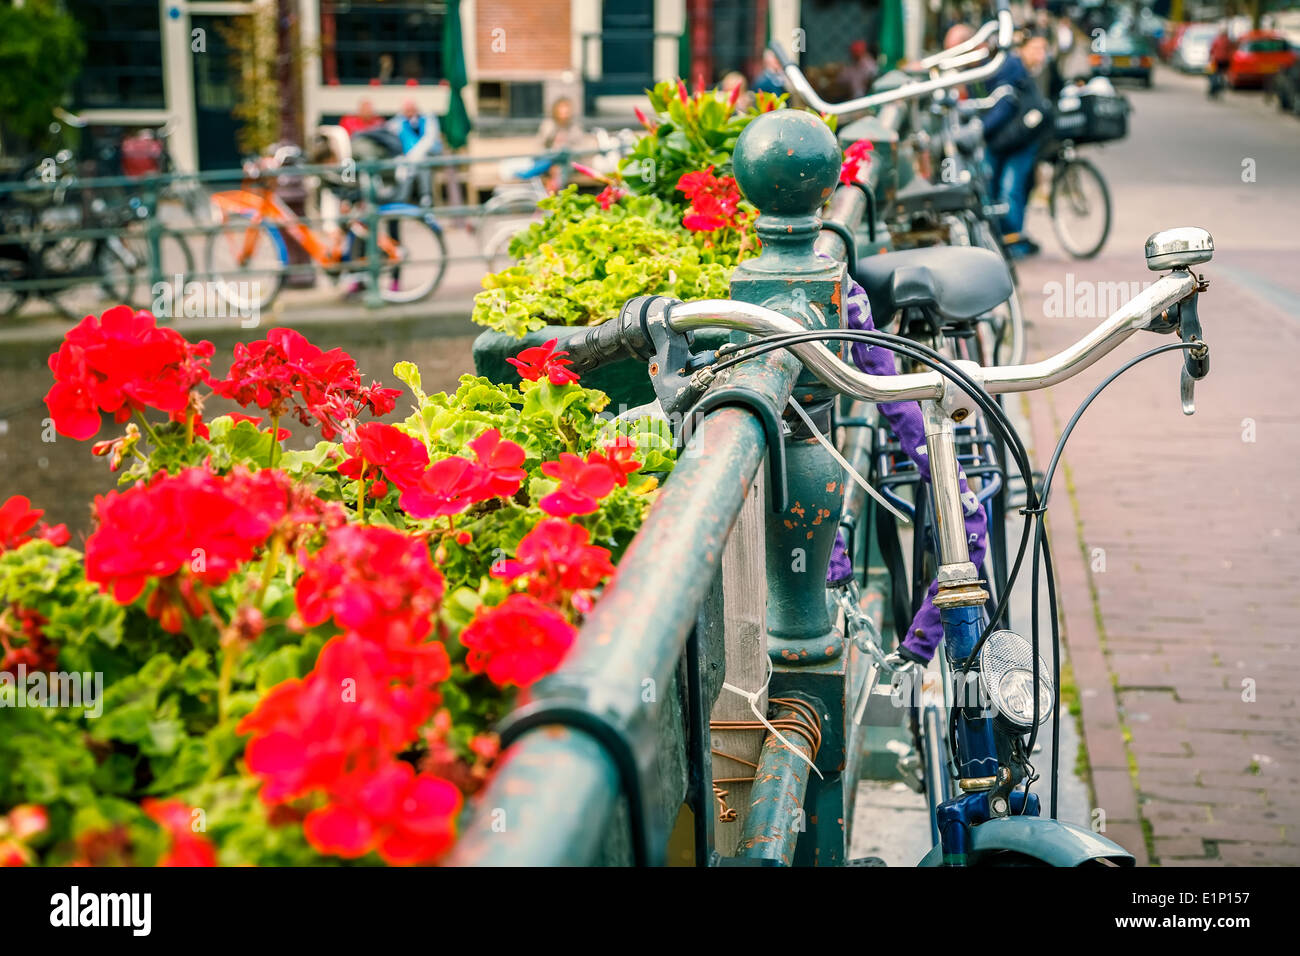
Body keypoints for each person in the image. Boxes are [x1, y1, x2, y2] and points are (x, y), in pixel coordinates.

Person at [969, 31, 1053, 259]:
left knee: (1007, 190)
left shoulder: (1019, 66)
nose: (1041, 55)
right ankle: (1008, 241)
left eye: (1044, 50)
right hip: (1010, 139)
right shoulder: (1014, 66)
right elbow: (1004, 102)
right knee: (1004, 190)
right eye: (1037, 49)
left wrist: (982, 129)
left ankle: (1011, 243)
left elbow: (1004, 102)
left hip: (1012, 140)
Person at [388, 99, 442, 204]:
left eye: (412, 109)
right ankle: (408, 198)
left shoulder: (427, 120)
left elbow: (430, 142)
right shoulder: (397, 123)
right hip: (406, 158)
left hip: (426, 156)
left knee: (421, 162)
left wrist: (414, 156)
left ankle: (422, 197)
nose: (410, 112)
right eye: (407, 110)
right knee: (407, 167)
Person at [536, 97, 580, 192]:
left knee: (561, 167)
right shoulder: (548, 125)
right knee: (553, 166)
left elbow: (579, 147)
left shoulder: (574, 127)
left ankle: (553, 188)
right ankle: (554, 188)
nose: (564, 115)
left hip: (566, 161)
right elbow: (541, 145)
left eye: (566, 112)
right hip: (549, 160)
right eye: (561, 112)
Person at [1208, 23, 1235, 97]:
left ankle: (1214, 88)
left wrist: (1210, 58)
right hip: (1225, 61)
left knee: (1213, 74)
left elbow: (1211, 50)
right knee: (1222, 74)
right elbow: (1231, 51)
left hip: (1217, 60)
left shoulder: (1216, 40)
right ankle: (1221, 85)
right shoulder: (1228, 41)